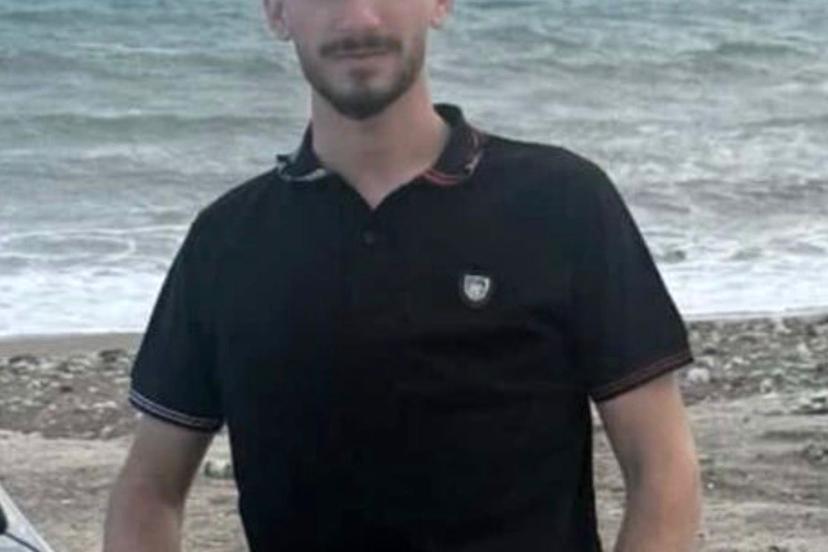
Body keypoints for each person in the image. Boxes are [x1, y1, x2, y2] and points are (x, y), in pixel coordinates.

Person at [103, 0, 702, 550]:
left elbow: (662, 469)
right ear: (277, 12)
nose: (359, 19)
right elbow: (148, 490)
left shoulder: (560, 201)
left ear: (439, 3)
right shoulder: (229, 241)